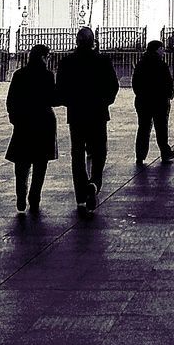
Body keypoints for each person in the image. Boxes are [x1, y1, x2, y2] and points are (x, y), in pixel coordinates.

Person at [55, 26, 119, 215]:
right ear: (93, 42)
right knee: (99, 151)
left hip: (76, 114)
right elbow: (113, 86)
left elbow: (61, 90)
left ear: (77, 41)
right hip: (98, 113)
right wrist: (105, 102)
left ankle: (81, 194)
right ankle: (94, 182)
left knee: (77, 154)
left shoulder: (66, 62)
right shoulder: (102, 61)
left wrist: (71, 102)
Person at [4, 44, 58, 214]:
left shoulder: (19, 75)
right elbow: (52, 98)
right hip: (43, 122)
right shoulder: (47, 75)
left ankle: (21, 194)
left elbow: (10, 99)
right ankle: (35, 194)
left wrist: (14, 118)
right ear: (43, 57)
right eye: (47, 56)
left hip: (24, 122)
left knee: (22, 162)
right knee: (41, 162)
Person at [132, 40, 174, 165]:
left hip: (143, 101)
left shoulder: (140, 64)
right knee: (161, 127)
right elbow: (168, 82)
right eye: (162, 48)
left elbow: (135, 83)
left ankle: (140, 155)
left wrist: (140, 95)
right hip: (159, 101)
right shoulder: (161, 65)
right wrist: (168, 95)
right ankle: (165, 151)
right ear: (157, 49)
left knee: (143, 128)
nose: (163, 51)